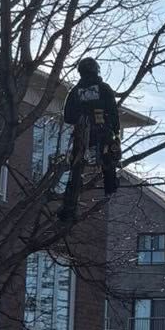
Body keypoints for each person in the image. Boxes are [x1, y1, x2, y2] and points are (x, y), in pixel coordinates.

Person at [59, 57, 122, 220]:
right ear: (96, 70)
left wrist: (82, 116)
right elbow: (114, 113)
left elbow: (67, 116)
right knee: (109, 159)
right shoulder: (103, 88)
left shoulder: (74, 92)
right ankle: (110, 188)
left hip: (82, 134)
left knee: (76, 166)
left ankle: (69, 207)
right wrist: (116, 133)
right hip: (102, 132)